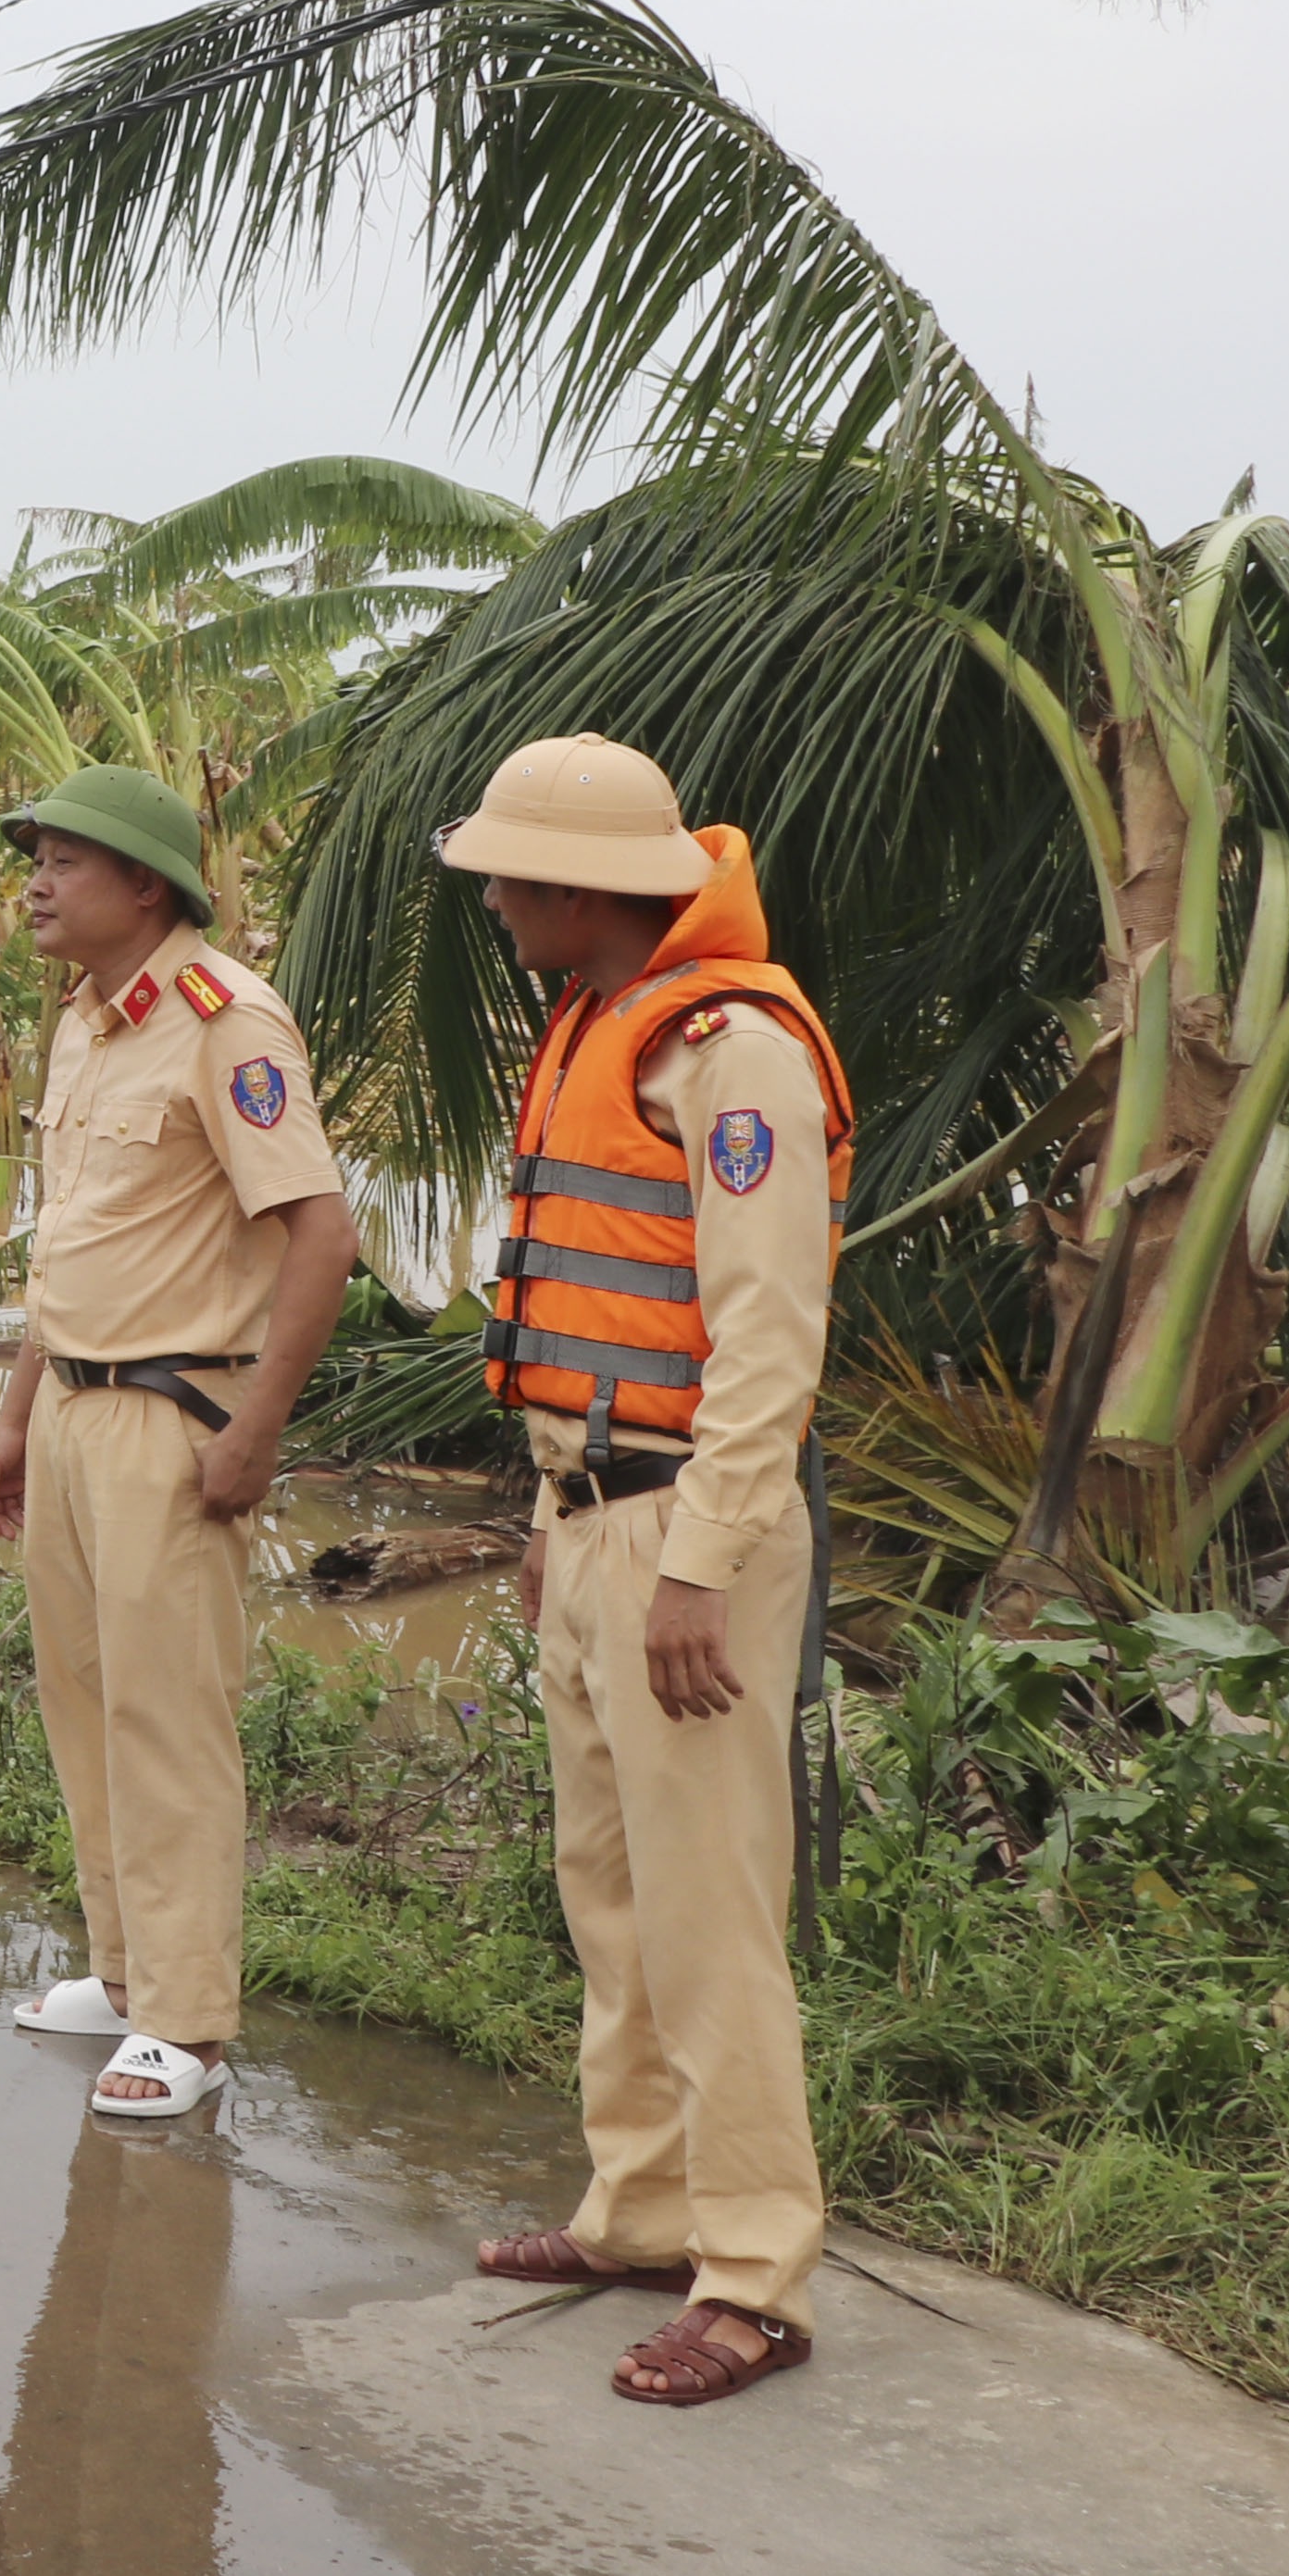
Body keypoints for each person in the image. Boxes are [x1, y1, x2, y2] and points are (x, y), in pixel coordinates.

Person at [435, 733, 853, 2406]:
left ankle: (754, 2279)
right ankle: (643, 2208)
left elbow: (770, 1344)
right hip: (588, 1515)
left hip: (695, 1535)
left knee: (711, 1915)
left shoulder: (733, 1052)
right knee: (610, 1892)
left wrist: (696, 1568)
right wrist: (551, 1530)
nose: (495, 902)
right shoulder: (594, 1029)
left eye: (510, 876)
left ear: (581, 887)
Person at [0, 763, 359, 2123]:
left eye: (63, 861)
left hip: (171, 1417)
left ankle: (189, 2020)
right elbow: (72, 1235)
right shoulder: (88, 1021)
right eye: (34, 857)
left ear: (145, 884)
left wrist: (258, 1428)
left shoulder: (227, 1024)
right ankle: (127, 1975)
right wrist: (17, 1414)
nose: (34, 882)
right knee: (82, 1700)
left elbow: (321, 1233)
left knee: (167, 1717)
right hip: (74, 1404)